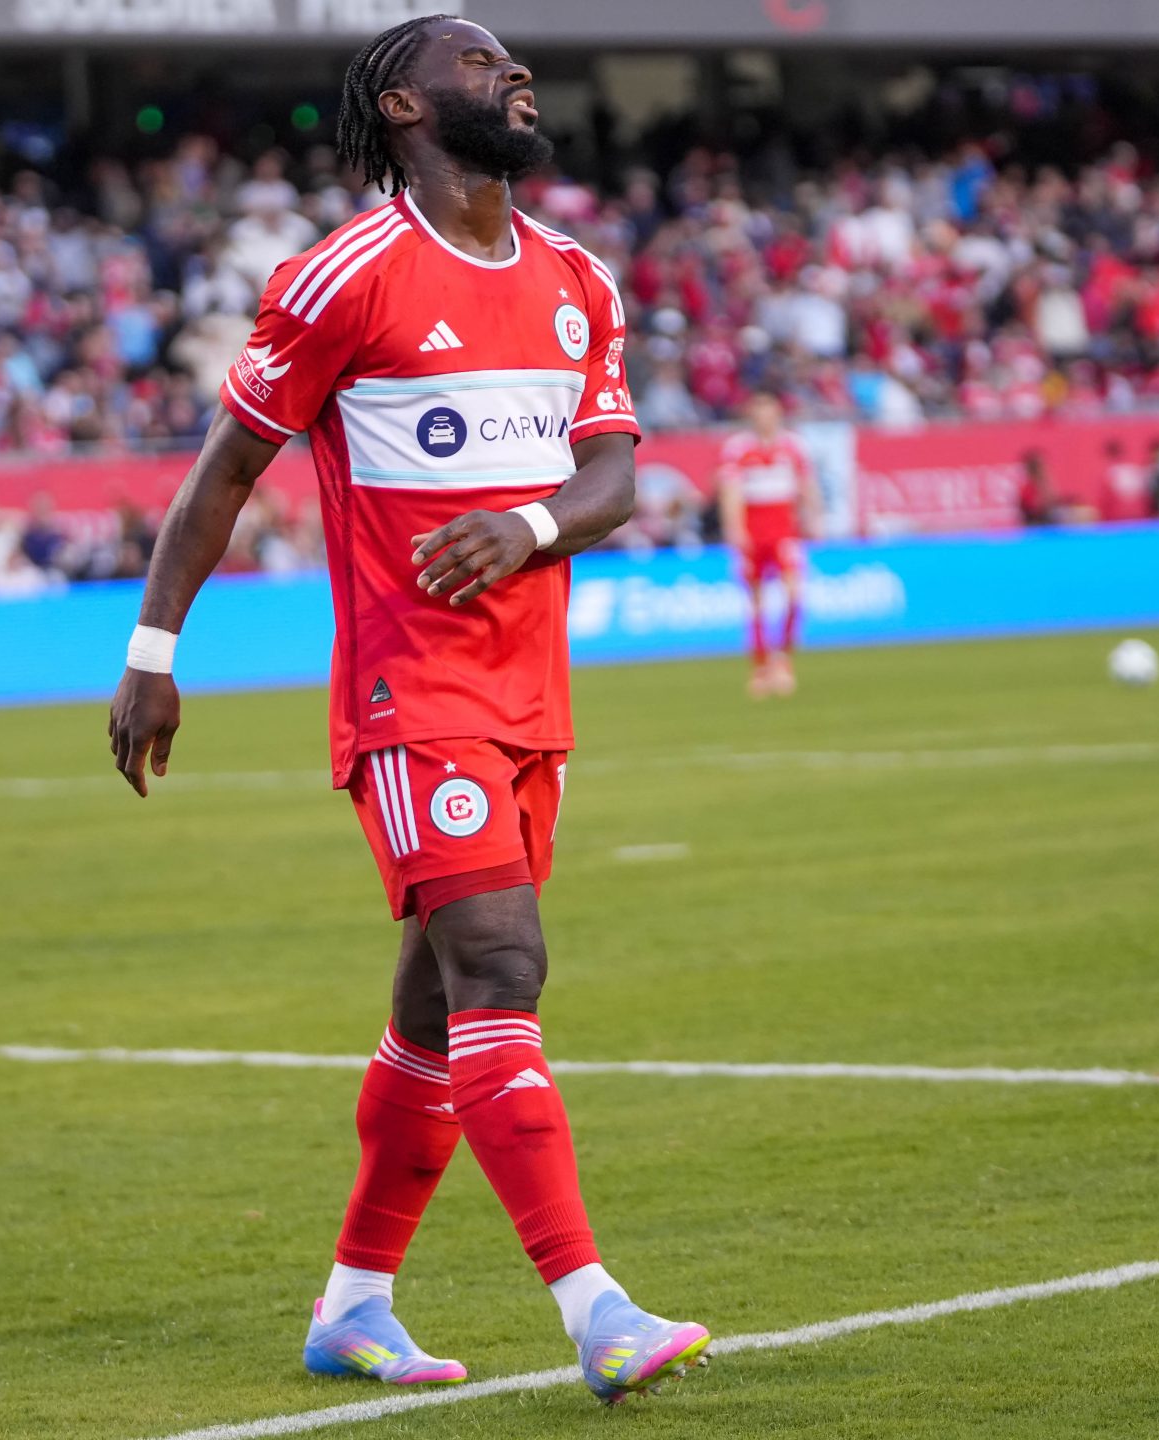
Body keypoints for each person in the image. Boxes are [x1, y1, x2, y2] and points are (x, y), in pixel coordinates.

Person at [106, 14, 709, 1407]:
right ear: (403, 104)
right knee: (502, 962)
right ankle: (597, 1312)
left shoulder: (575, 277)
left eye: (515, 60)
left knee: (433, 1013)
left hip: (530, 696)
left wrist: (528, 526)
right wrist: (151, 648)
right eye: (480, 61)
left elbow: (613, 481)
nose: (516, 74)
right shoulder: (346, 276)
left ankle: (353, 1305)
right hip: (409, 689)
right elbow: (225, 469)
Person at [717, 392, 822, 697]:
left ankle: (783, 660)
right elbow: (731, 490)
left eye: (769, 413)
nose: (764, 419)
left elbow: (807, 484)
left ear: (778, 414)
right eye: (759, 414)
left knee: (794, 594)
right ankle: (761, 667)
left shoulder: (793, 446)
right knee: (756, 602)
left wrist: (815, 516)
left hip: (784, 530)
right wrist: (735, 528)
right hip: (753, 531)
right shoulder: (738, 448)